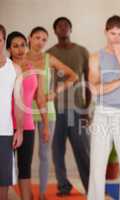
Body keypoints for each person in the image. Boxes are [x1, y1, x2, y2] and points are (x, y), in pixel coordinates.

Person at [88, 15, 120, 200]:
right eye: (112, 33)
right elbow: (95, 89)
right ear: (106, 32)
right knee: (97, 164)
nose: (116, 38)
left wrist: (118, 55)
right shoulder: (95, 56)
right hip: (102, 113)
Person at [25, 26, 78, 199]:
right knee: (24, 157)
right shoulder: (20, 58)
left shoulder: (49, 59)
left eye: (44, 39)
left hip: (48, 113)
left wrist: (56, 91)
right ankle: (25, 193)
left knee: (44, 155)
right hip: (25, 113)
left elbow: (73, 76)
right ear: (29, 38)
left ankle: (41, 194)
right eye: (37, 38)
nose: (40, 42)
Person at [47, 17, 90, 196]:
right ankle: (63, 186)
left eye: (66, 25)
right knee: (58, 152)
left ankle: (90, 187)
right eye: (59, 26)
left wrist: (87, 109)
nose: (63, 28)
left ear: (70, 29)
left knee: (83, 151)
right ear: (55, 31)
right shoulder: (49, 53)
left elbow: (88, 81)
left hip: (78, 109)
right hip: (56, 109)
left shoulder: (82, 52)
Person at [6, 31, 49, 200]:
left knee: (25, 170)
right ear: (8, 48)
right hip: (6, 126)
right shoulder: (5, 69)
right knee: (4, 172)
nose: (19, 49)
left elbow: (40, 99)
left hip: (28, 126)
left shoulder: (35, 69)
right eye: (15, 46)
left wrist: (45, 125)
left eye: (22, 45)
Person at [0, 24, 23, 200]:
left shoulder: (15, 69)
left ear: (3, 41)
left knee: (3, 184)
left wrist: (20, 130)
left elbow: (18, 104)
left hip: (5, 132)